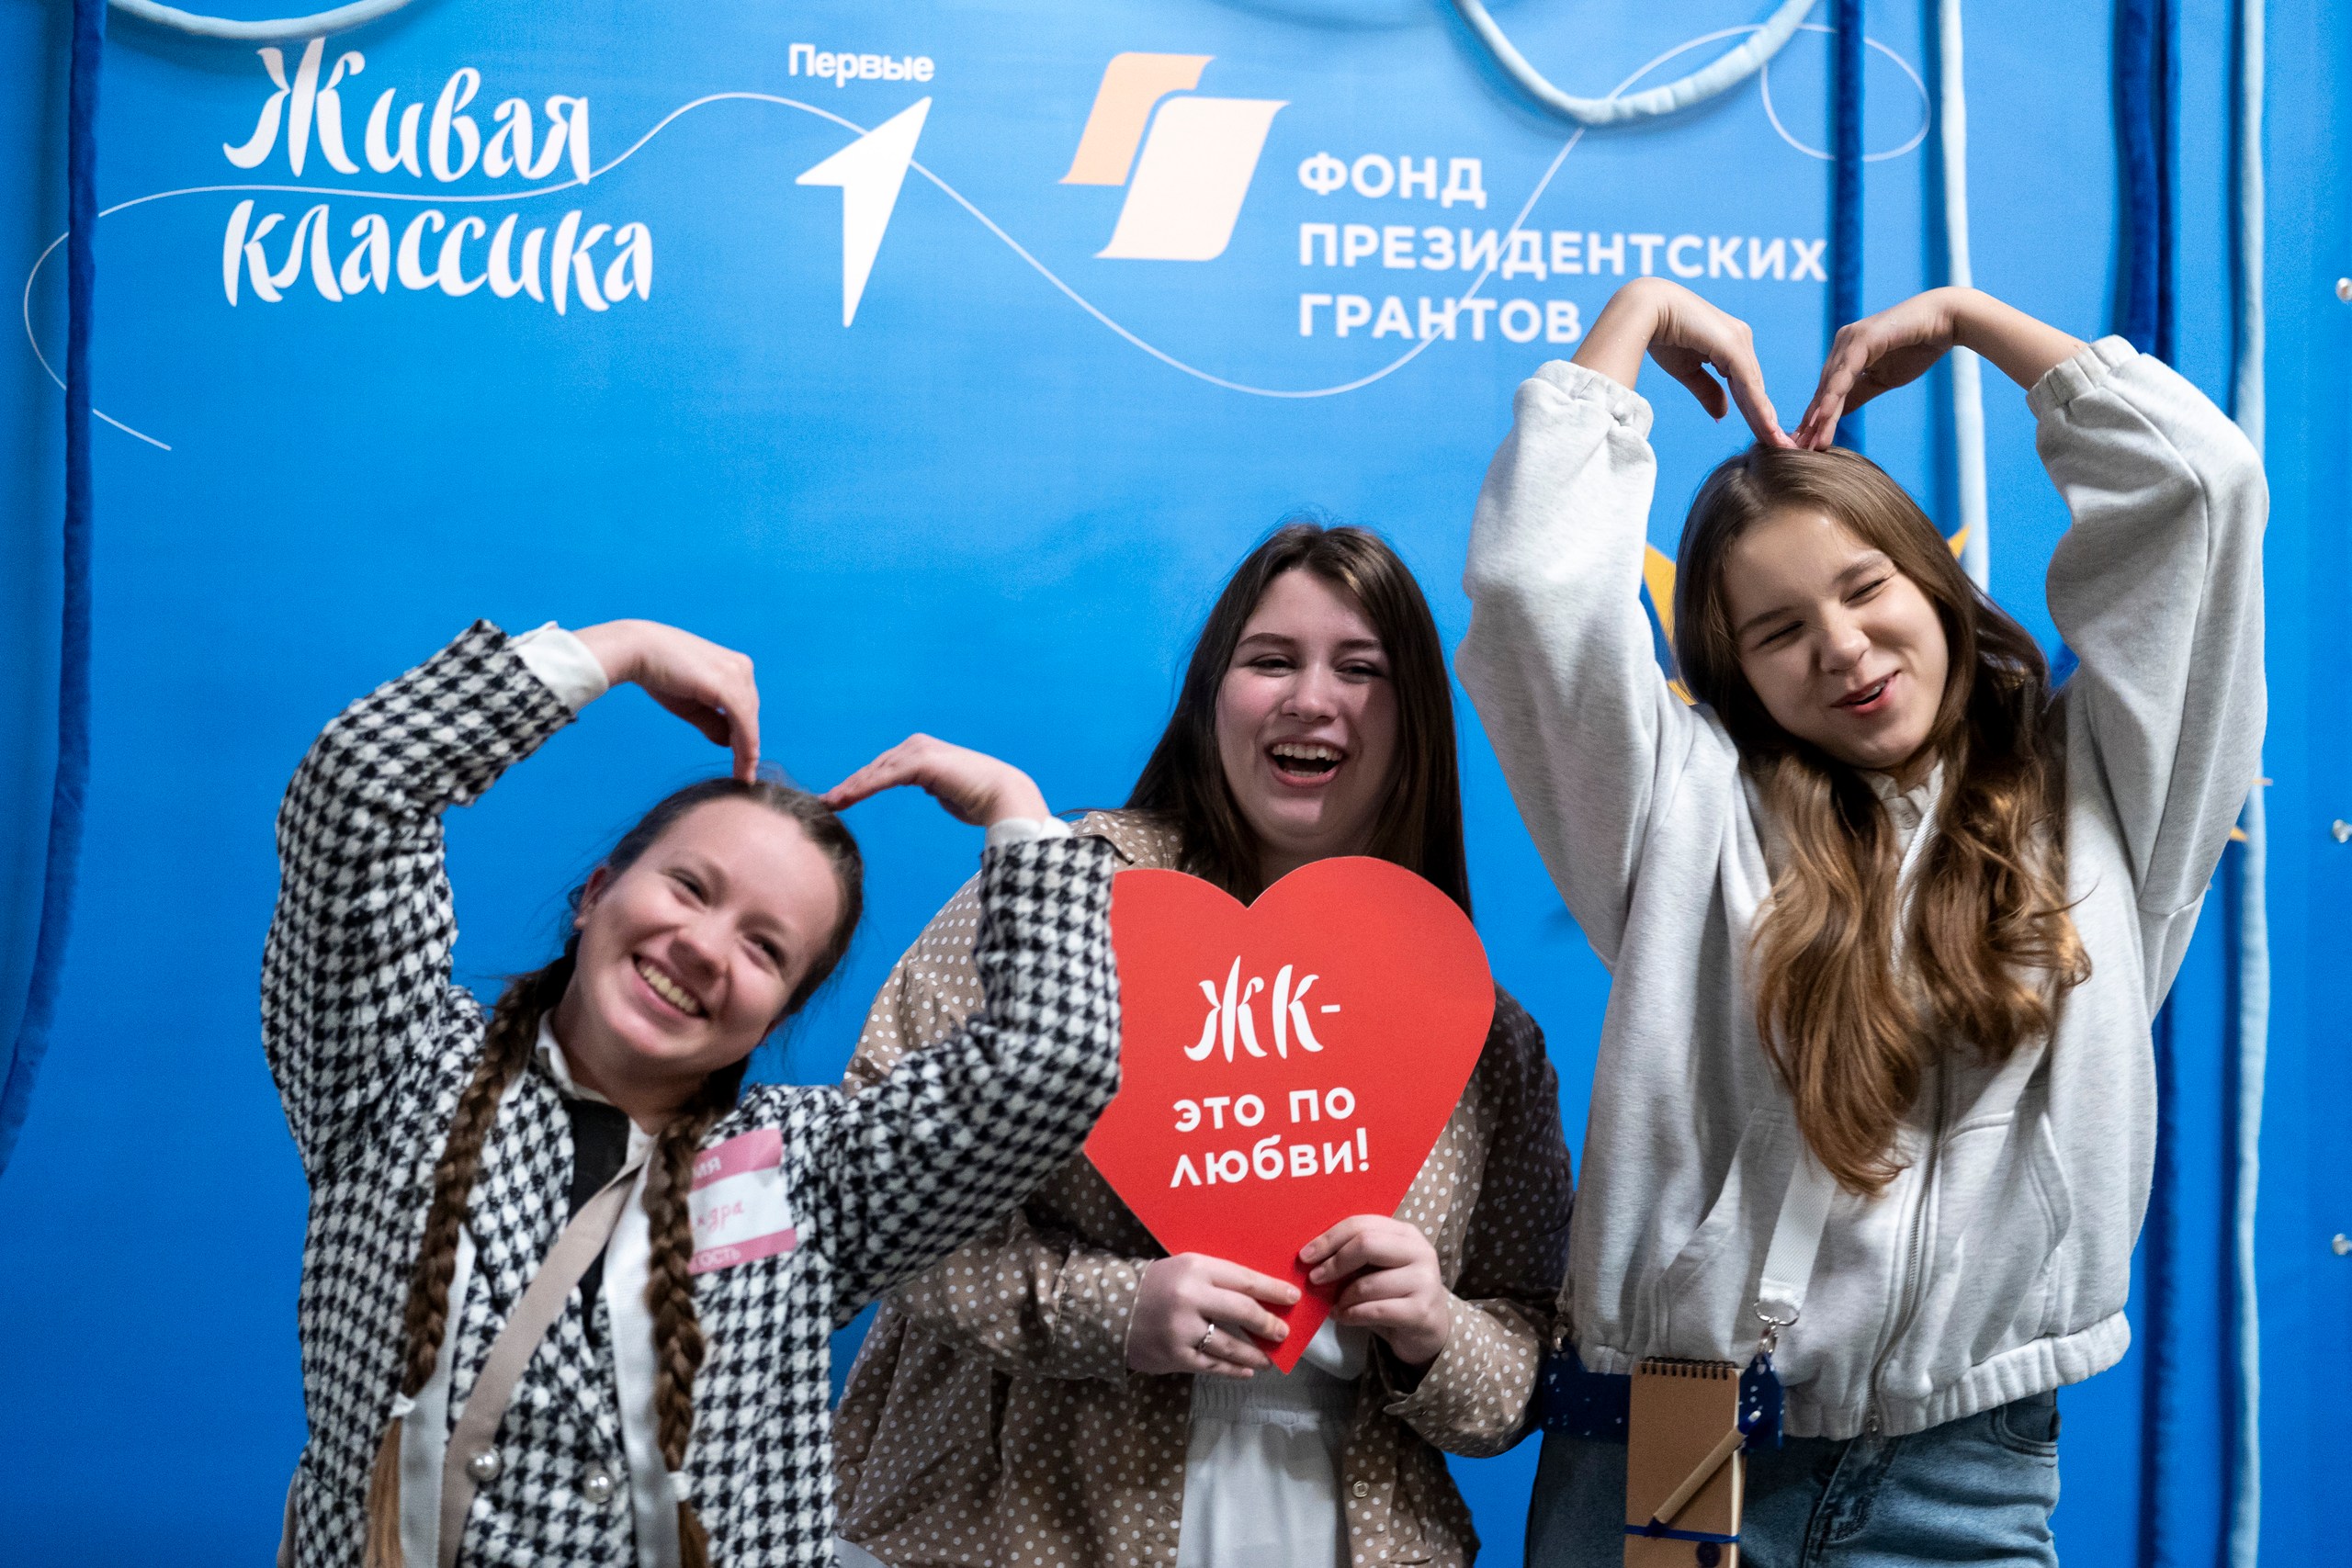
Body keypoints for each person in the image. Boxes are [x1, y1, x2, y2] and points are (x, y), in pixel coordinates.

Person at [1455, 277, 2264, 1564]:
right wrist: (1628, 329)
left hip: (1962, 1474)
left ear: (1934, 584)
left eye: (1865, 586)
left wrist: (1975, 323)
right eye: (1778, 630)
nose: (1840, 646)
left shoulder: (2106, 798)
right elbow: (1531, 597)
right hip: (1673, 1444)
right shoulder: (1678, 811)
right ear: (1735, 672)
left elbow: (2200, 494)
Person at [263, 615, 1125, 1568]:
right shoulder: (399, 1068)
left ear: (775, 1015)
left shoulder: (810, 1176)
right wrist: (616, 651)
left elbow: (1058, 1061)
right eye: (688, 887)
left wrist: (1017, 812)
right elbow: (359, 788)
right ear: (595, 892)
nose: (707, 948)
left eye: (765, 948)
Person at [831, 523, 1576, 1568]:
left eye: (1360, 669)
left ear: (1414, 718)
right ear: (1209, 697)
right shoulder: (1066, 898)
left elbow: (1528, 1361)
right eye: (1271, 660)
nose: (1310, 698)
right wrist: (1114, 1310)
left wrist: (1436, 1330)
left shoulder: (1482, 1032)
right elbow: (866, 1185)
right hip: (1020, 1523)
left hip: (1341, 1528)